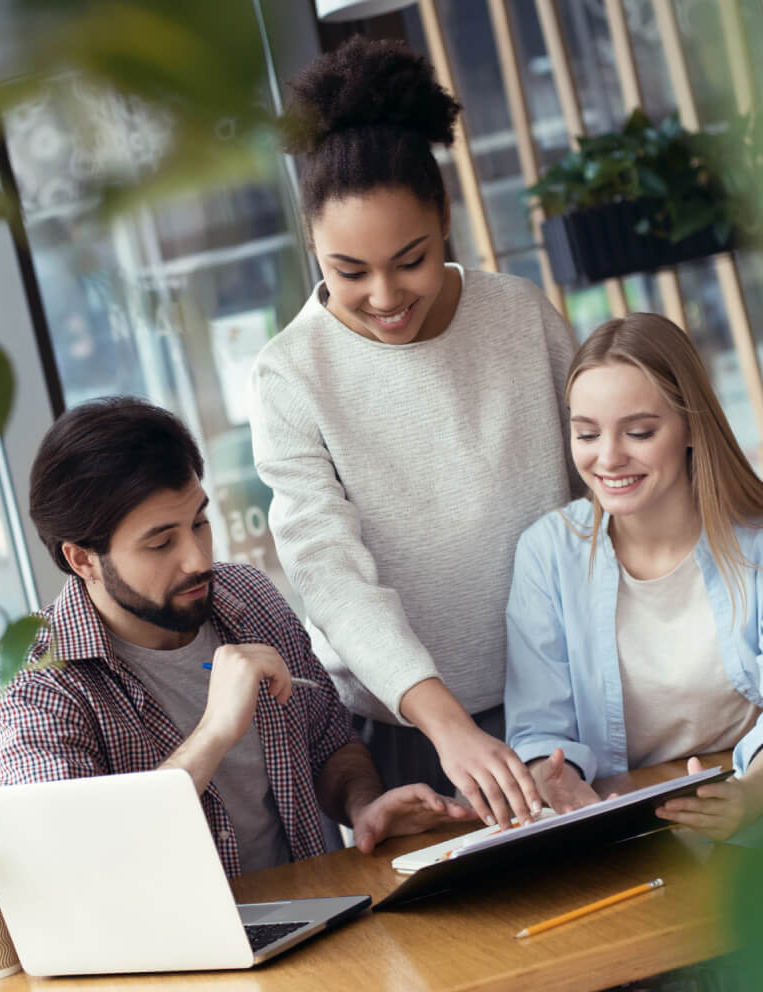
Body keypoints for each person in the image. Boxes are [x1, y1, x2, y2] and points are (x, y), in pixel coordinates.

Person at [247, 36, 578, 830]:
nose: (386, 295)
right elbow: (330, 576)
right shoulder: (289, 374)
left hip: (569, 710)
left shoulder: (520, 316)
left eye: (411, 260)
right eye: (349, 271)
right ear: (313, 247)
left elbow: (600, 486)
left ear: (446, 222)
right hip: (410, 739)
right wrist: (448, 726)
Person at [0, 398, 473, 878]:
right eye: (161, 542)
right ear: (83, 560)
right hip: (169, 961)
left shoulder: (247, 598)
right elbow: (65, 863)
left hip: (322, 917)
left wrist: (364, 807)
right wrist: (214, 733)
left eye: (200, 523)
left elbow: (331, 746)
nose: (198, 559)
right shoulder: (34, 685)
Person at [505, 313, 763, 840]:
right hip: (625, 823)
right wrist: (558, 783)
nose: (609, 458)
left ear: (690, 426)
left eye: (639, 432)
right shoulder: (547, 552)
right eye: (587, 433)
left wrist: (748, 795)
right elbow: (540, 731)